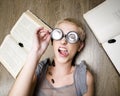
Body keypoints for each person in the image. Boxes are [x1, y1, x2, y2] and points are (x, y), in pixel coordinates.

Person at [9, 18, 94, 96]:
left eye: (72, 37)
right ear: (52, 40)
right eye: (59, 34)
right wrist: (35, 52)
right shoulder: (37, 71)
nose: (63, 41)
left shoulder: (84, 78)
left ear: (80, 46)